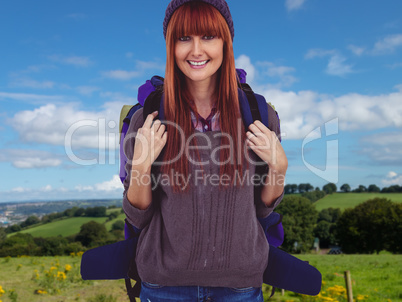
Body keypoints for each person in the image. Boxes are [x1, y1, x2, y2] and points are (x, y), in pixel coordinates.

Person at [122, 0, 288, 301]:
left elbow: (262, 209)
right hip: (163, 288)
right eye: (184, 38)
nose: (196, 50)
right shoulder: (147, 117)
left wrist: (279, 168)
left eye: (208, 37)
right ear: (171, 47)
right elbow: (138, 217)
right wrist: (141, 167)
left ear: (226, 42)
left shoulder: (259, 114)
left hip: (240, 288)